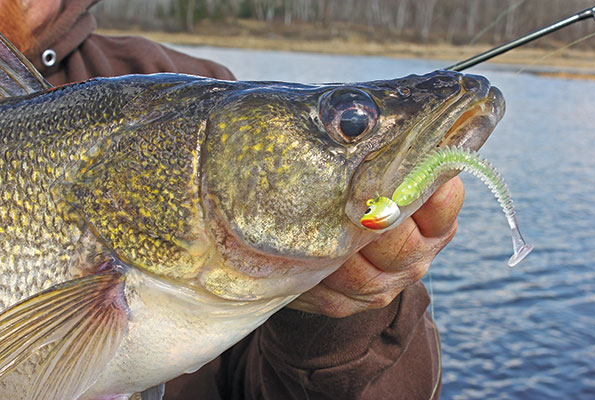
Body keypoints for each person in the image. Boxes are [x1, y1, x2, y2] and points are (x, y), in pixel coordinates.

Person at [0, 0, 466, 398]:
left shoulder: (186, 83)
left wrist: (348, 316)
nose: (351, 131)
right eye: (348, 125)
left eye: (349, 122)